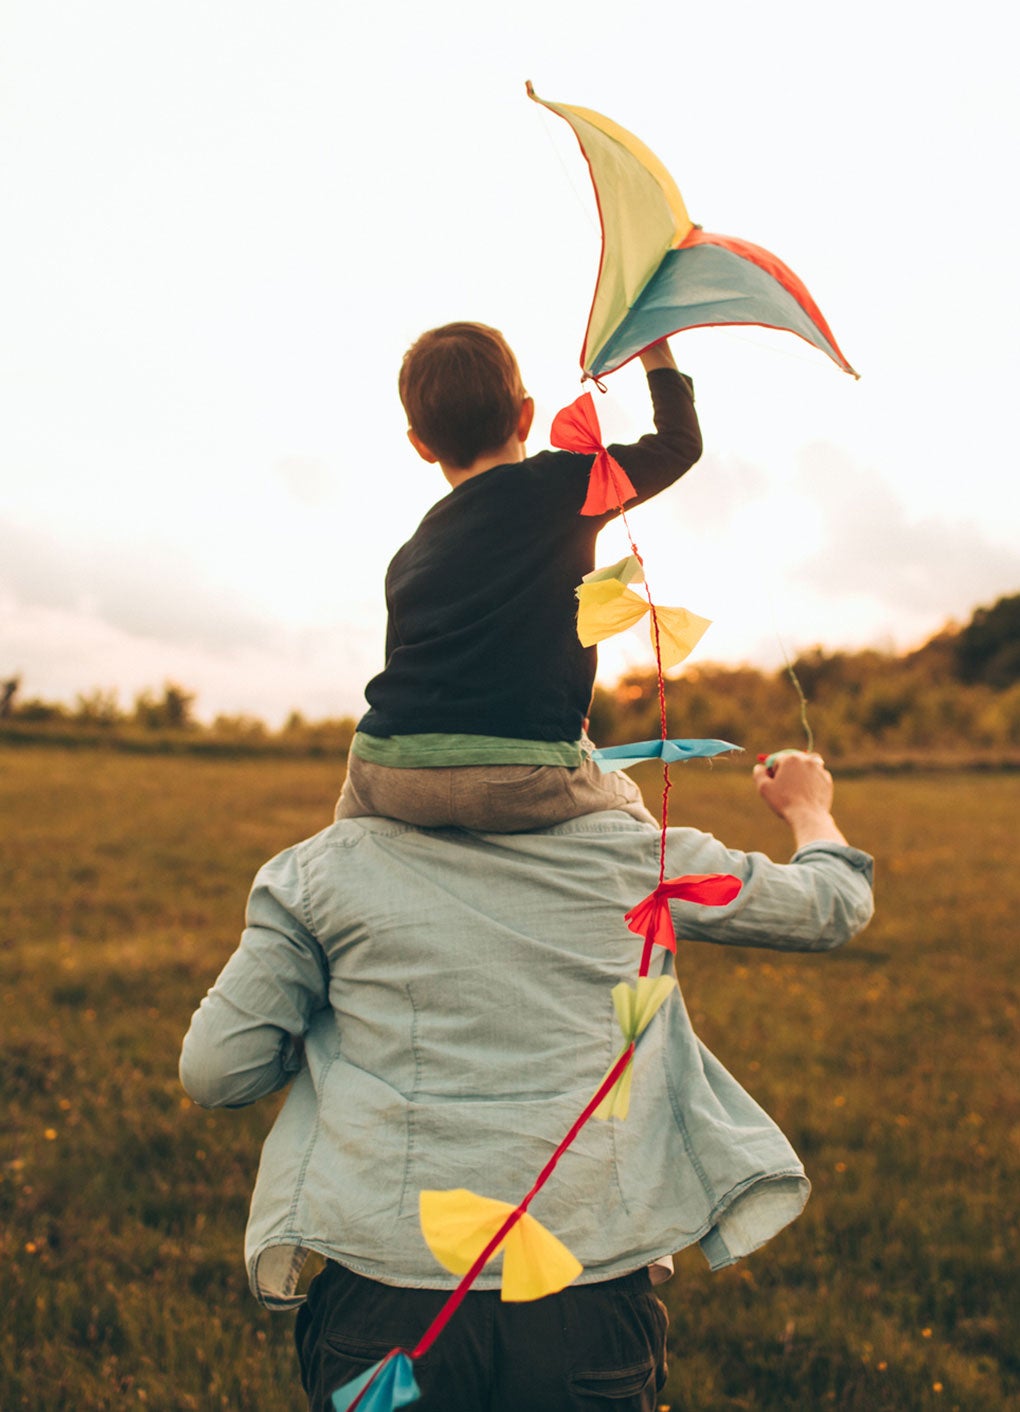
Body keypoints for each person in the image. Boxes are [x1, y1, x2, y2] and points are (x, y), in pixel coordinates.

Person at [179, 751, 874, 1412]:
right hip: (584, 1304)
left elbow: (217, 1070)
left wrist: (329, 1040)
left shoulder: (322, 871)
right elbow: (831, 903)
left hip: (386, 1303)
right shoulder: (641, 857)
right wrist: (808, 807)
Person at [334, 321, 703, 832]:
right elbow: (679, 444)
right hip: (519, 772)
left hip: (383, 767)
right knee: (627, 811)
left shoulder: (410, 552)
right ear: (525, 416)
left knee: (347, 841)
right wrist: (655, 350)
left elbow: (402, 663)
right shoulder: (563, 484)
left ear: (421, 444)